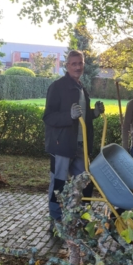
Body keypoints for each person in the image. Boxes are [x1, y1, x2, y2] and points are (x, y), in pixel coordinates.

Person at [43, 50, 105, 226]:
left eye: (80, 63)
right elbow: (48, 117)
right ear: (67, 66)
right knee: (59, 183)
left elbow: (82, 117)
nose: (78, 67)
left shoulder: (81, 88)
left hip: (80, 145)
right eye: (74, 64)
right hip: (62, 145)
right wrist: (68, 116)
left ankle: (81, 216)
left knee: (85, 181)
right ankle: (56, 219)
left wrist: (94, 113)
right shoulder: (57, 87)